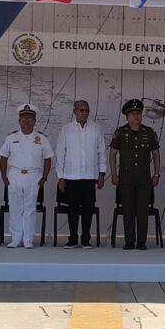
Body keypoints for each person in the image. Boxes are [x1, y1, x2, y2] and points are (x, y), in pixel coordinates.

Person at [0, 104, 54, 249]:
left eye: (30, 118)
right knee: (15, 208)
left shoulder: (41, 138)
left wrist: (44, 178)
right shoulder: (11, 138)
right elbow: (3, 157)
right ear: (19, 120)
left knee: (30, 209)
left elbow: (48, 158)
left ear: (35, 120)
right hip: (15, 175)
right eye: (24, 118)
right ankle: (16, 238)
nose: (27, 121)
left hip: (33, 176)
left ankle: (28, 239)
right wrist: (4, 177)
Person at [109, 99, 160, 250]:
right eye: (132, 114)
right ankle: (129, 241)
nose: (136, 116)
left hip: (144, 179)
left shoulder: (149, 132)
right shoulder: (120, 132)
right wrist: (113, 173)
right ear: (127, 116)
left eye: (138, 113)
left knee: (143, 210)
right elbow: (112, 154)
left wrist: (156, 175)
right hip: (126, 178)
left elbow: (156, 155)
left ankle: (142, 241)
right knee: (128, 210)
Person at [56, 100, 106, 249]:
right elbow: (60, 153)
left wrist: (102, 173)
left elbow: (101, 152)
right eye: (81, 110)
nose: (84, 113)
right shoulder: (66, 129)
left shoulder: (96, 129)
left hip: (90, 176)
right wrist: (60, 176)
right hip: (71, 176)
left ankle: (85, 239)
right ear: (75, 112)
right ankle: (72, 239)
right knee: (73, 210)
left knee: (88, 209)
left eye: (87, 110)